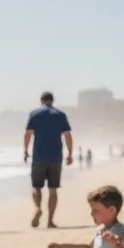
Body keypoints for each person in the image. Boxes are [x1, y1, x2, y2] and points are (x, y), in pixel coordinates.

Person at [24, 91, 73, 229]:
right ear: (52, 100)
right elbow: (67, 135)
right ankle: (50, 221)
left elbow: (28, 134)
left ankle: (38, 208)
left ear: (41, 100)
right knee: (53, 190)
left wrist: (25, 151)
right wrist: (70, 153)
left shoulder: (34, 114)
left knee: (36, 187)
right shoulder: (60, 115)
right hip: (55, 156)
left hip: (39, 156)